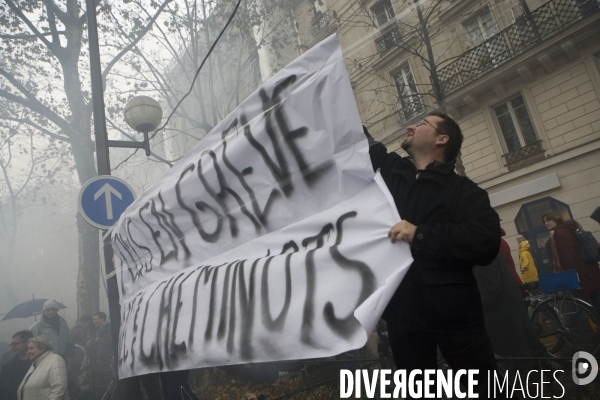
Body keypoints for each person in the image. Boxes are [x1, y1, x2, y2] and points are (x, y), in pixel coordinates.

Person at [365, 112, 502, 398]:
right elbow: (358, 142)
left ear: (442, 139)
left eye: (422, 123)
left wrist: (420, 234)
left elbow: (486, 241)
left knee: (483, 389)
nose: (411, 126)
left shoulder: (464, 191)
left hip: (456, 315)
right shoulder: (392, 173)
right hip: (404, 316)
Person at [542, 211, 600, 308]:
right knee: (594, 304)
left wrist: (572, 279)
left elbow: (568, 256)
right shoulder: (569, 228)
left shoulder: (561, 232)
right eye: (544, 222)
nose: (546, 223)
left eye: (548, 220)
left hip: (582, 275)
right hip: (590, 272)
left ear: (556, 219)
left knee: (581, 309)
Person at [17, 335, 68, 400]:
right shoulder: (34, 365)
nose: (28, 352)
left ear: (43, 347)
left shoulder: (55, 359)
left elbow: (59, 387)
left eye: (31, 348)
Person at [0, 331, 34, 400]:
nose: (12, 347)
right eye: (11, 344)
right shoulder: (8, 367)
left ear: (28, 343)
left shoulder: (40, 362)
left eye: (15, 344)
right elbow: (3, 390)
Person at [88, 312, 113, 400]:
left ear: (102, 318)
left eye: (95, 319)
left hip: (109, 360)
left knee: (109, 382)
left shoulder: (110, 327)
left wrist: (97, 339)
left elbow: (109, 339)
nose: (93, 321)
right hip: (99, 361)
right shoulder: (96, 330)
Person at [68, 326, 90, 400]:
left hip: (78, 383)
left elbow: (74, 367)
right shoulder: (80, 347)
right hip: (83, 380)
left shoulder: (76, 348)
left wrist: (68, 377)